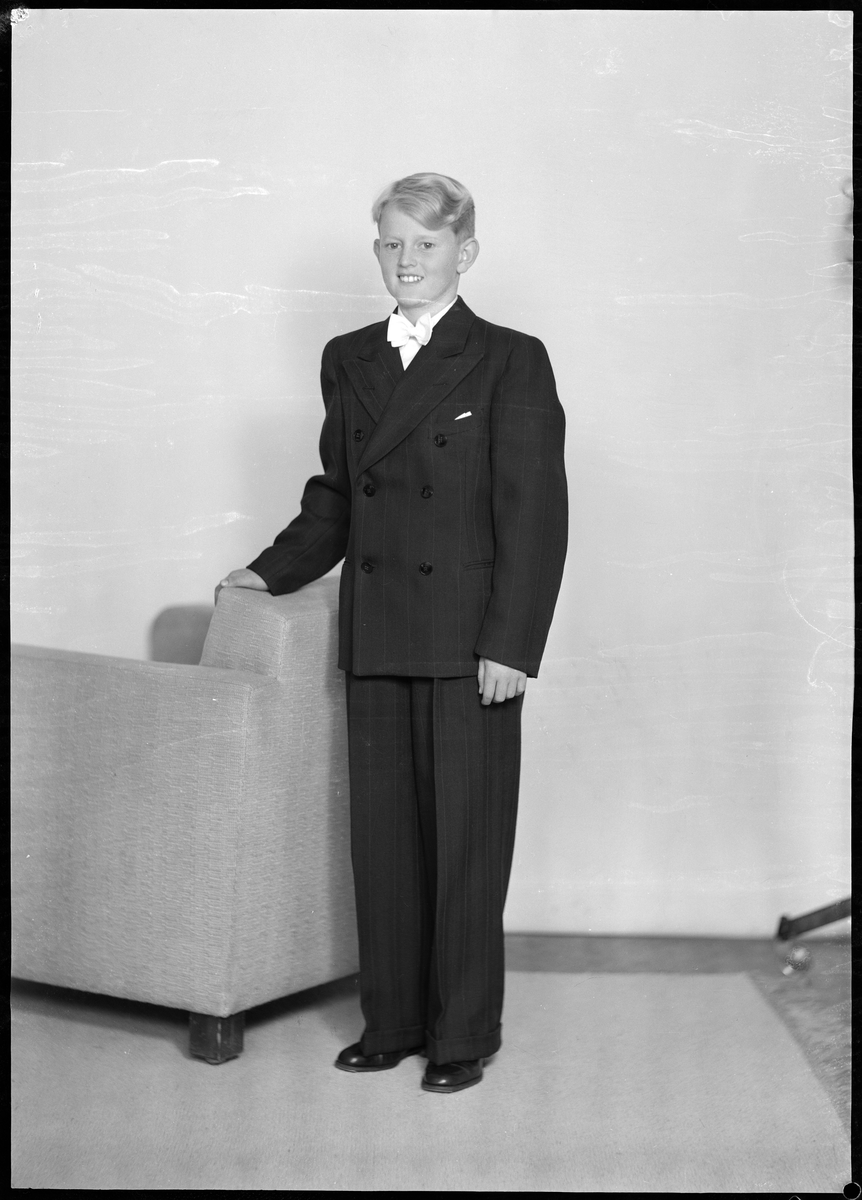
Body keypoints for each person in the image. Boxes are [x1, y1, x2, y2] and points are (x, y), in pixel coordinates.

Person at [216, 173, 568, 1093]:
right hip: (378, 632)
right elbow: (337, 494)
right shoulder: (348, 358)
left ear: (465, 253)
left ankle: (462, 1035)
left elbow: (534, 514)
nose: (407, 261)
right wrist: (268, 572)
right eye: (392, 244)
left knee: (464, 847)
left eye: (426, 244)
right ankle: (393, 1023)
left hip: (469, 642)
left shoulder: (511, 359)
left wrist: (511, 645)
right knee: (385, 845)